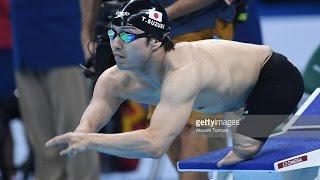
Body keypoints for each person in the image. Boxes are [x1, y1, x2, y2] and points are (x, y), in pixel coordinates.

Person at [46, 0, 304, 170]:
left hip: (274, 79)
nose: (116, 44)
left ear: (156, 42)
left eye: (127, 35)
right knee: (189, 136)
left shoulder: (183, 71)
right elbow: (86, 128)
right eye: (114, 33)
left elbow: (154, 145)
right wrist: (80, 135)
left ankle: (268, 120)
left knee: (243, 148)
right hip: (223, 103)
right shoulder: (113, 80)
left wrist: (91, 141)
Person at [10, 0, 100, 179]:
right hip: (24, 42)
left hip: (63, 43)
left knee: (75, 131)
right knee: (41, 138)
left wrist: (87, 31)